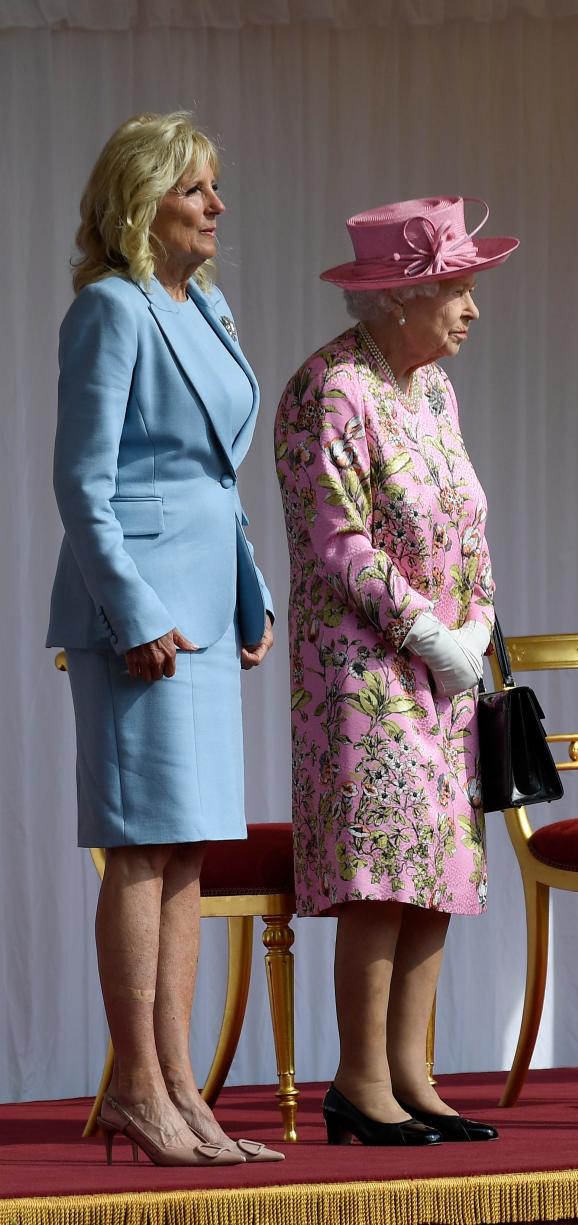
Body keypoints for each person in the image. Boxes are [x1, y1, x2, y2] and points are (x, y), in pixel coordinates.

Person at [47, 113, 280, 1166]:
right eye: (198, 190)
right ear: (143, 203)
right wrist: (134, 612)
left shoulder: (208, 305)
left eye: (216, 188)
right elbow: (82, 485)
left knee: (188, 850)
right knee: (139, 846)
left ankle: (182, 1084)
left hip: (204, 603)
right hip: (134, 615)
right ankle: (136, 1085)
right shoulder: (109, 308)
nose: (217, 207)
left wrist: (250, 589)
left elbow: (216, 479)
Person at [275, 196, 517, 1145]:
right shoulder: (329, 388)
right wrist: (428, 630)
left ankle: (413, 1071)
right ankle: (359, 1080)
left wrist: (481, 619)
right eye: (455, 288)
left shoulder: (435, 392)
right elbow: (334, 537)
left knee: (439, 865)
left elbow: (468, 518)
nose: (472, 307)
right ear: (398, 298)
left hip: (444, 672)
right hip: (363, 670)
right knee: (380, 871)